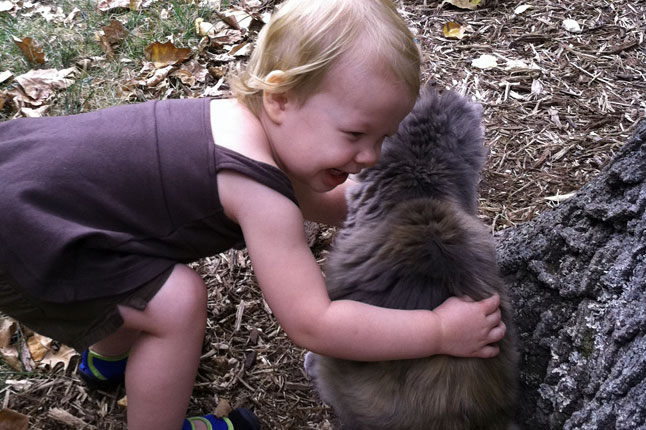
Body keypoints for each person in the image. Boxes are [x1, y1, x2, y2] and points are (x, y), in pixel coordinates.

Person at [0, 0, 507, 429]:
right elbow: (315, 324)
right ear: (281, 99)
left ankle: (107, 363)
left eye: (384, 138)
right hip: (25, 233)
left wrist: (392, 204)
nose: (371, 157)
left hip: (34, 189)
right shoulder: (260, 194)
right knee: (176, 305)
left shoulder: (243, 125)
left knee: (133, 272)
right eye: (355, 135)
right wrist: (438, 332)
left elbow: (322, 198)